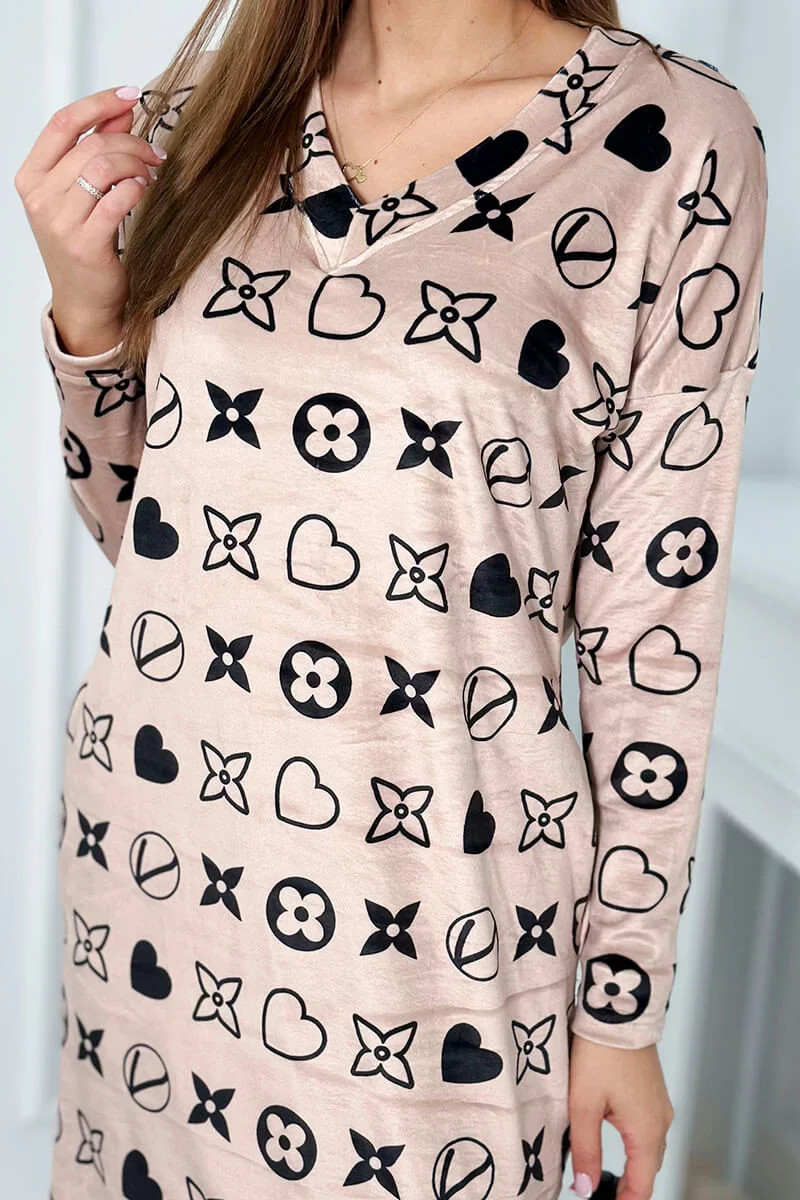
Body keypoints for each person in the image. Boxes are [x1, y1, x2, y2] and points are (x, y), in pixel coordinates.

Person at [15, 2, 768, 1198]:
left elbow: (652, 638)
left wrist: (618, 1007)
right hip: (161, 882)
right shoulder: (207, 117)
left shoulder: (670, 137)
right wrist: (88, 317)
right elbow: (154, 546)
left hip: (437, 918)